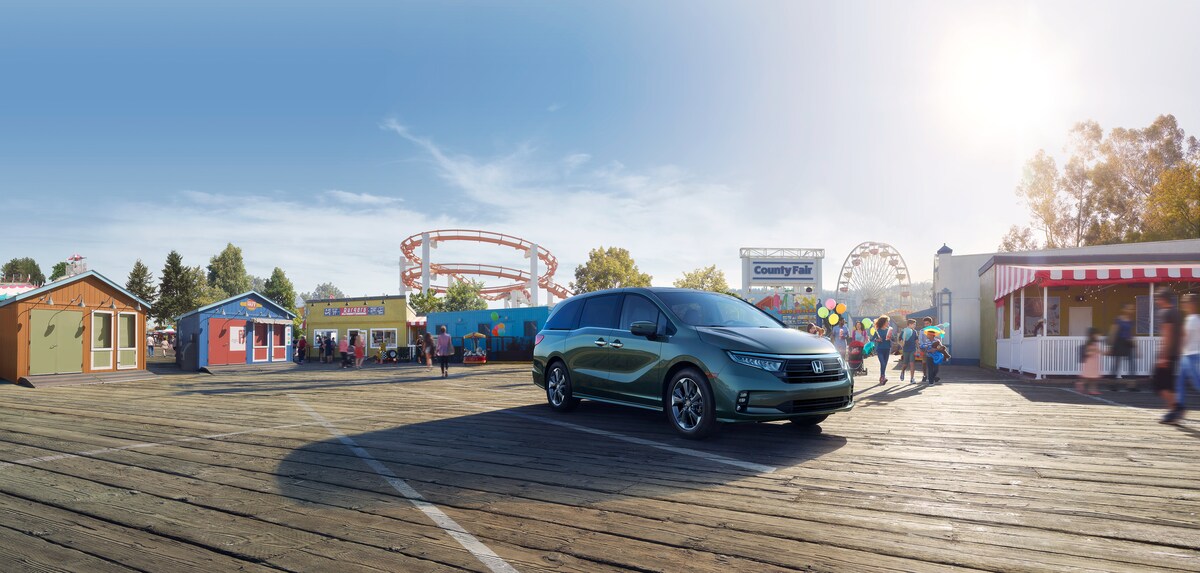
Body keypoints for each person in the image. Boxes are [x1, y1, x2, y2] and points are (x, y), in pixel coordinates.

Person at [1163, 293, 1199, 424]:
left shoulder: (1194, 320)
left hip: (1193, 356)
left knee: (1197, 383)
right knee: (1179, 384)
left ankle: (1180, 409)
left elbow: (1185, 338)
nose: (1183, 304)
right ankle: (1180, 408)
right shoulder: (1189, 318)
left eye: (1185, 301)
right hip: (1186, 356)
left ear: (1192, 304)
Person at [1151, 292, 1182, 412]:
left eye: (1158, 299)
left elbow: (1167, 335)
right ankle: (1172, 409)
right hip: (1175, 353)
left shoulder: (1165, 313)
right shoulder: (1177, 313)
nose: (1157, 301)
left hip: (1167, 354)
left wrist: (1163, 356)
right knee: (1168, 384)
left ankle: (1175, 407)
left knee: (1159, 385)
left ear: (1164, 299)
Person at [1108, 303, 1137, 390]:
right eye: (1129, 309)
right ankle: (1113, 384)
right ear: (1124, 310)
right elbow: (1113, 332)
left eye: (1132, 309)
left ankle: (1131, 386)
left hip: (1128, 343)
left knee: (1132, 364)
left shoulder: (1131, 321)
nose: (1131, 311)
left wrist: (1136, 346)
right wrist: (1110, 346)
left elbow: (1132, 334)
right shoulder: (1118, 319)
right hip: (1119, 342)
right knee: (1116, 364)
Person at [1077, 327, 1103, 395]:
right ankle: (1081, 383)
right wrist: (1093, 351)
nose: (1098, 336)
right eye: (1097, 334)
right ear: (1092, 335)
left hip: (1094, 362)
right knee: (1089, 377)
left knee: (1094, 378)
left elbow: (1098, 351)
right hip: (1090, 363)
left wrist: (1104, 352)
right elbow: (1087, 353)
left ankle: (1092, 390)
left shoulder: (1095, 343)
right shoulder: (1089, 343)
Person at [871, 316, 894, 384]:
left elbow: (893, 339)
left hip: (887, 349)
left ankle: (882, 377)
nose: (888, 323)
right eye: (887, 321)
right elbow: (872, 339)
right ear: (883, 322)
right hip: (880, 349)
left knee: (885, 364)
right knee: (882, 363)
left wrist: (890, 338)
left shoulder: (889, 330)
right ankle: (882, 377)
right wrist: (877, 340)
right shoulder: (877, 330)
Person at [898, 318, 919, 382]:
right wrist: (902, 344)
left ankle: (912, 378)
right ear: (909, 324)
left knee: (912, 363)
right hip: (906, 350)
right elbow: (899, 340)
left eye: (915, 324)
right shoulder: (903, 331)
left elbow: (916, 340)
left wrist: (918, 348)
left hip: (913, 349)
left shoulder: (915, 331)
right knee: (905, 364)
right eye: (913, 324)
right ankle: (902, 372)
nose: (915, 325)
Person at [920, 317, 935, 383]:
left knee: (933, 363)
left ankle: (931, 376)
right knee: (924, 362)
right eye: (925, 323)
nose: (926, 325)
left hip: (933, 349)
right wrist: (923, 347)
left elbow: (938, 339)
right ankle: (924, 375)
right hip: (924, 349)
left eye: (927, 323)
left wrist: (934, 348)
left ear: (931, 323)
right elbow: (920, 340)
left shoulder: (934, 330)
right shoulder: (922, 331)